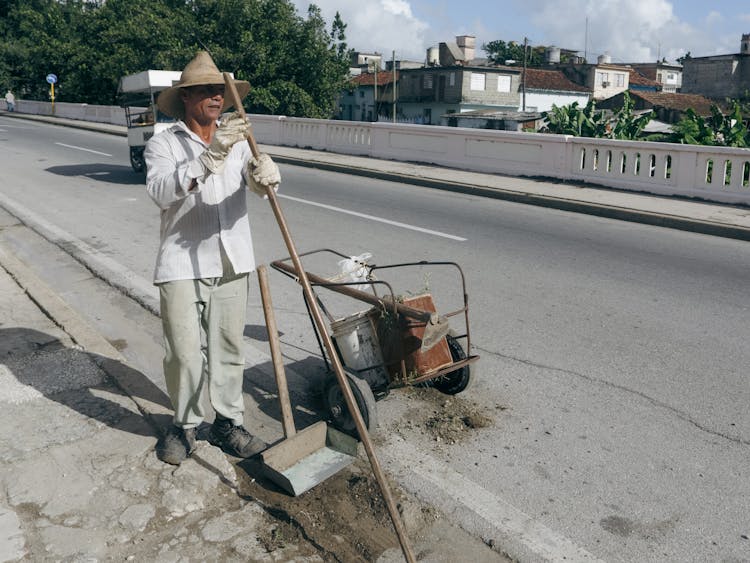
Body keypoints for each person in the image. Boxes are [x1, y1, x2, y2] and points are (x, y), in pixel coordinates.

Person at [144, 51, 281, 465]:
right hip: (182, 263)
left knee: (227, 348)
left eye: (220, 92)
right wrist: (209, 157)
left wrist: (265, 176)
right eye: (206, 91)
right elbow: (161, 192)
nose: (216, 98)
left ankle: (227, 424)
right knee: (183, 353)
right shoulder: (163, 143)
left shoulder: (238, 140)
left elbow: (254, 184)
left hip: (231, 260)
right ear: (185, 98)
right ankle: (185, 425)